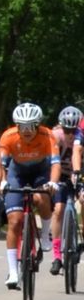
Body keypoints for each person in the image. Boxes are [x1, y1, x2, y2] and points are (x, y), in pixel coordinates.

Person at [0, 102, 60, 291]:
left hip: (40, 172)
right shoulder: (8, 136)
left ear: (38, 124)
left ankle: (45, 233)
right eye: (21, 126)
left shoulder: (48, 135)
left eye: (30, 126)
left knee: (42, 197)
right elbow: (2, 165)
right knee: (14, 221)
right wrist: (2, 181)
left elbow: (55, 164)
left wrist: (53, 182)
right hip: (17, 173)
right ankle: (13, 271)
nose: (26, 130)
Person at [50, 105, 81, 275]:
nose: (70, 134)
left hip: (78, 174)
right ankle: (57, 257)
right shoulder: (55, 136)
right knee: (59, 210)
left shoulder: (81, 137)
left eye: (73, 130)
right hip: (60, 176)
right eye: (66, 129)